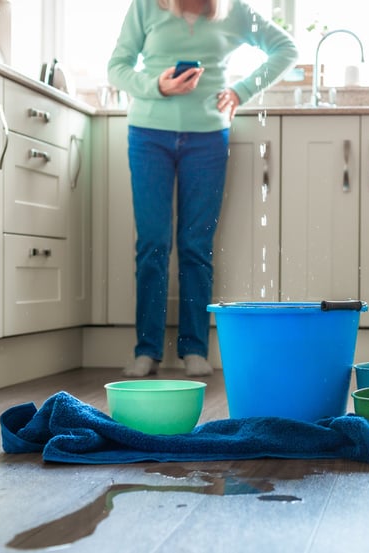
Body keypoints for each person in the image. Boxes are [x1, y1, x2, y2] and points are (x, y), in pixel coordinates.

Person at [108, 0, 298, 377]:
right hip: (148, 135)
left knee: (196, 246)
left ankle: (194, 347)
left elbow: (286, 49)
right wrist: (156, 85)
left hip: (208, 138)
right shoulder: (146, 6)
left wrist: (242, 90)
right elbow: (117, 67)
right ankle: (147, 349)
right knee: (153, 244)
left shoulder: (235, 10)